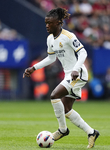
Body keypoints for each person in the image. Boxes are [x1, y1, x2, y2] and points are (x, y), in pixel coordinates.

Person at [23, 8, 99, 148]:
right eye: (45, 23)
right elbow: (51, 58)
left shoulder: (68, 36)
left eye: (49, 23)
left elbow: (83, 53)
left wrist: (76, 69)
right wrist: (34, 68)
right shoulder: (50, 39)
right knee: (66, 109)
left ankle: (62, 130)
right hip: (69, 74)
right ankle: (91, 132)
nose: (47, 26)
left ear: (58, 23)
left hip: (78, 73)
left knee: (54, 95)